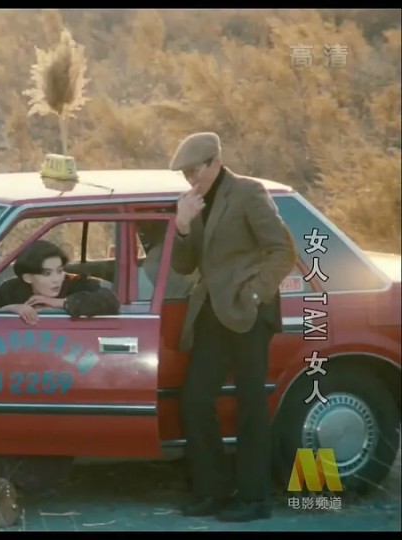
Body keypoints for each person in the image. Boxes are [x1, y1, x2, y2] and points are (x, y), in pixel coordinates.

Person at [168, 132, 297, 522]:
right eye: (186, 174)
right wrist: (183, 225)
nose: (191, 179)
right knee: (195, 399)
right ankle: (213, 491)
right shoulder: (194, 203)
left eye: (195, 171)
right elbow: (183, 266)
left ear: (215, 162)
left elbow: (283, 251)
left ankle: (255, 500)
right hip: (211, 313)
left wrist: (254, 294)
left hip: (249, 314)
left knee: (251, 405)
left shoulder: (248, 192)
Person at [0, 240, 120, 324]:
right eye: (47, 274)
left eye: (59, 271)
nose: (57, 279)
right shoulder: (10, 289)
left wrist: (59, 303)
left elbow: (110, 301)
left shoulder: (75, 283)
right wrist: (12, 309)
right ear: (28, 277)